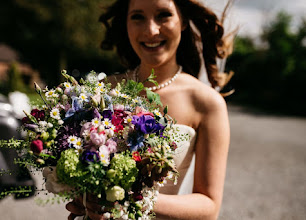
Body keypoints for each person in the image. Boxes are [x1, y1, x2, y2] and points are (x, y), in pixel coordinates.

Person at [66, 0, 231, 219]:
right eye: (138, 17)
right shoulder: (102, 92)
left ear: (182, 21)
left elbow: (209, 205)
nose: (151, 30)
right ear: (126, 23)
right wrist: (82, 197)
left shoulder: (206, 103)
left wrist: (132, 200)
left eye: (163, 15)